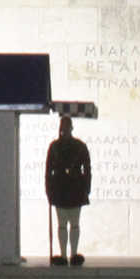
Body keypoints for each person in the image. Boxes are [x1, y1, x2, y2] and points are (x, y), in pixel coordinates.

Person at [44, 113, 91, 266]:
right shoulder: (54, 147)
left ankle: (73, 254)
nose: (64, 130)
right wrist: (49, 190)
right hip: (60, 189)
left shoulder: (80, 146)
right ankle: (64, 255)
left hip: (75, 189)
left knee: (75, 224)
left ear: (71, 128)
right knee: (62, 224)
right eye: (62, 127)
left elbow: (87, 169)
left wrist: (86, 188)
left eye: (66, 127)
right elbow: (48, 171)